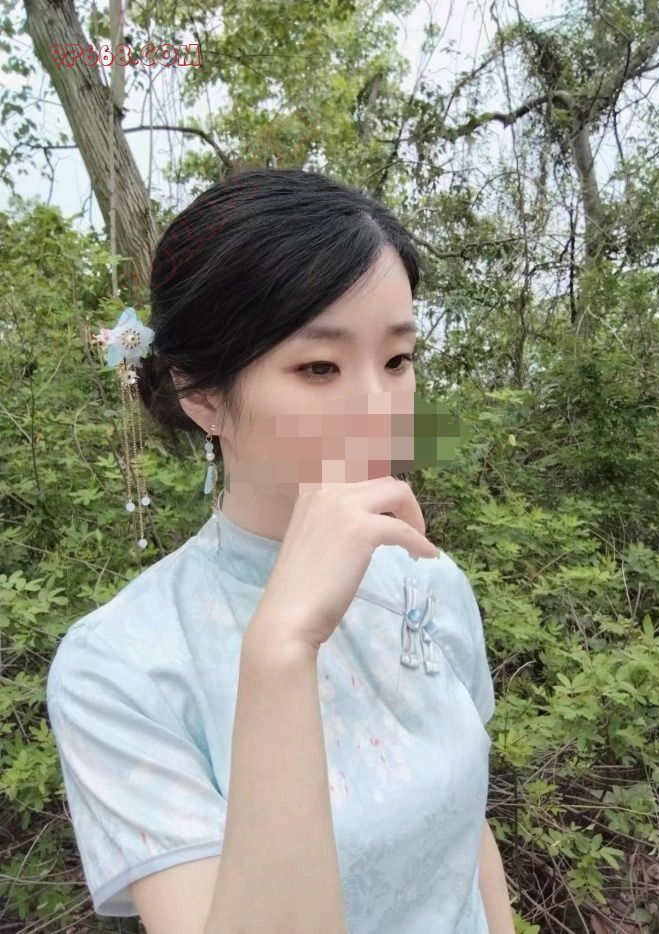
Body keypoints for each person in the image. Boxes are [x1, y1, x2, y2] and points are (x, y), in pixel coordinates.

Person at [45, 167, 513, 933]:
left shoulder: (430, 583)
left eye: (397, 360)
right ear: (202, 395)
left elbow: (470, 836)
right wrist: (282, 647)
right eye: (318, 367)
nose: (379, 412)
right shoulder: (120, 669)